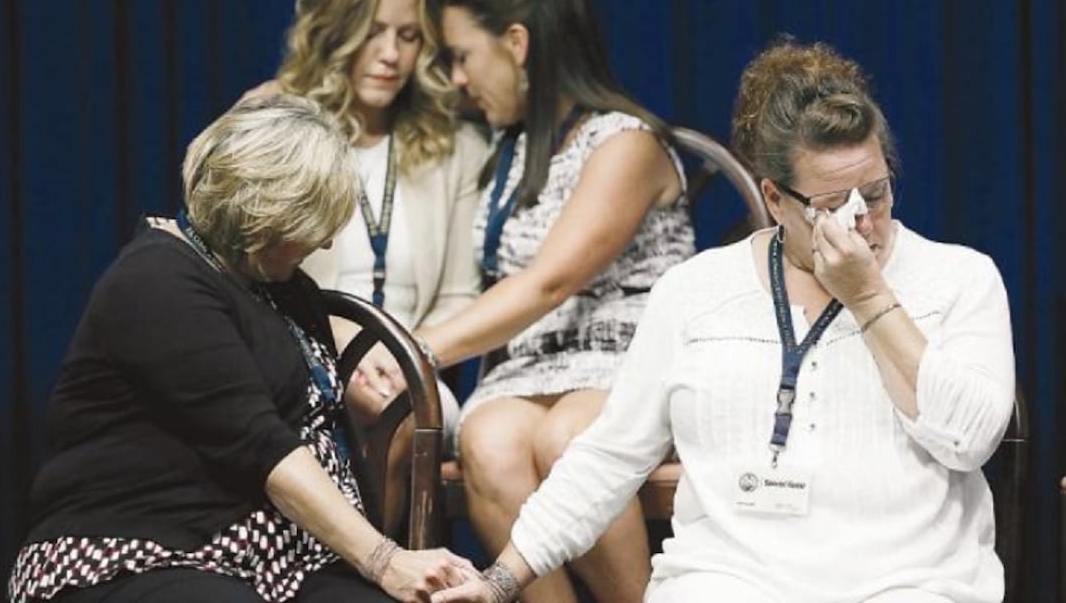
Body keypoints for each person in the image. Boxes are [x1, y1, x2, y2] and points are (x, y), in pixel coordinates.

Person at [430, 40, 1016, 603]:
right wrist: (501, 579)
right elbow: (609, 456)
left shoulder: (960, 279)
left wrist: (870, 299)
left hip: (907, 581)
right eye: (833, 207)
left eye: (877, 193)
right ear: (776, 198)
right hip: (731, 580)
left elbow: (971, 439)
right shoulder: (696, 292)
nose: (863, 222)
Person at [7, 95, 474, 603]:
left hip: (283, 559)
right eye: (311, 226)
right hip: (144, 547)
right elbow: (264, 448)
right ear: (263, 212)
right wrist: (386, 559)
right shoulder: (157, 281)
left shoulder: (281, 288)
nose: (323, 247)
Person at [368, 0, 696, 603]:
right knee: (488, 440)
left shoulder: (625, 143)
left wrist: (417, 351)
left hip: (623, 366)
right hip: (528, 372)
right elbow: (389, 106)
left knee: (567, 438)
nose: (456, 77)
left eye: (462, 55)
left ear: (516, 43)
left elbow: (548, 283)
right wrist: (288, 94)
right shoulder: (506, 150)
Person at [242, 0, 489, 528]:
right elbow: (246, 274)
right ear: (335, 28)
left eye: (407, 36)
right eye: (371, 30)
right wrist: (341, 358)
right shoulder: (275, 120)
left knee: (403, 411)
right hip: (297, 353)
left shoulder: (456, 146)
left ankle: (383, 575)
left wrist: (405, 356)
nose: (389, 55)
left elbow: (461, 294)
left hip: (412, 365)